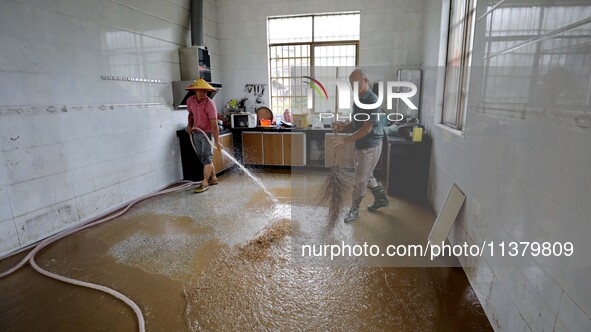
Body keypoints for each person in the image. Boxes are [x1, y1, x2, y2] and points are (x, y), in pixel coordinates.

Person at [331, 69, 389, 222]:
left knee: (360, 180)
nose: (353, 87)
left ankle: (354, 210)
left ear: (366, 81)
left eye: (356, 83)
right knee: (366, 175)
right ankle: (381, 199)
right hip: (361, 143)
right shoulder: (359, 98)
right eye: (351, 84)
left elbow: (366, 129)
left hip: (370, 145)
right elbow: (357, 123)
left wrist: (344, 140)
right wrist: (343, 127)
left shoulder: (372, 100)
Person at [185, 78, 223, 193]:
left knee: (206, 158)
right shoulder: (190, 101)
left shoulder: (209, 104)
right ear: (195, 91)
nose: (202, 93)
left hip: (208, 133)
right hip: (196, 132)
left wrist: (217, 141)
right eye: (200, 91)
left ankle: (205, 182)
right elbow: (191, 115)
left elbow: (214, 125)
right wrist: (190, 127)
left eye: (205, 91)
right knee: (203, 158)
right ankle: (214, 178)